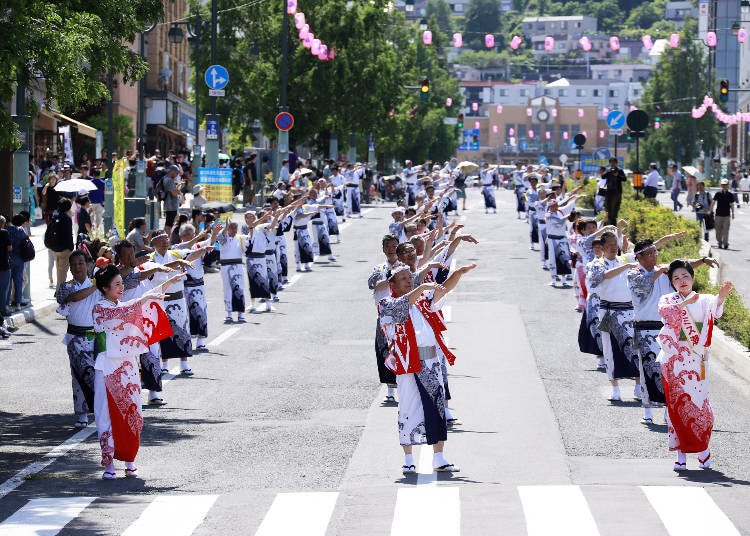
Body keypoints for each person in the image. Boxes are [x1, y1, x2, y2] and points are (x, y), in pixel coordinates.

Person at [378, 261, 476, 475]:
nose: (408, 281)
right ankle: (409, 459)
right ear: (392, 284)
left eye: (409, 277)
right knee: (408, 409)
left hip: (431, 362)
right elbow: (400, 309)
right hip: (409, 364)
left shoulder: (422, 301)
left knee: (437, 407)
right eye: (403, 278)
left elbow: (443, 290)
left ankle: (439, 457)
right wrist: (421, 287)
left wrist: (458, 273)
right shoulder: (387, 304)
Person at [91, 263, 182, 479]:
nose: (121, 288)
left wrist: (166, 284)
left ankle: (130, 459)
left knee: (133, 412)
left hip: (128, 365)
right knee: (106, 416)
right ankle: (109, 463)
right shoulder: (100, 309)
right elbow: (125, 310)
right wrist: (142, 300)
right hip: (106, 367)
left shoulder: (124, 305)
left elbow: (135, 304)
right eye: (116, 285)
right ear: (105, 288)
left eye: (122, 284)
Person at [626, 235, 714, 423]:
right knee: (647, 369)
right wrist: (658, 272)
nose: (654, 256)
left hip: (668, 328)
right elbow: (642, 287)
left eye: (654, 252)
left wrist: (703, 260)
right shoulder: (634, 273)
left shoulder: (664, 272)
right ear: (639, 257)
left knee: (670, 371)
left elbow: (682, 268)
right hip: (644, 328)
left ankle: (669, 413)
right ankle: (648, 412)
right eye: (649, 253)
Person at [657, 260, 733, 471]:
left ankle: (703, 451)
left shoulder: (705, 299)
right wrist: (683, 304)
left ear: (693, 277)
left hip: (697, 362)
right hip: (673, 362)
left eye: (685, 276)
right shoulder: (667, 299)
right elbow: (666, 314)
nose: (682, 281)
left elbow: (716, 310)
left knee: (700, 408)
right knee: (676, 408)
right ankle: (680, 454)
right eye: (676, 278)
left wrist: (723, 295)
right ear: (671, 282)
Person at [587, 231, 640, 401]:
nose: (612, 248)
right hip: (608, 311)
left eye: (614, 245)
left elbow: (644, 254)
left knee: (634, 348)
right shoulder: (597, 264)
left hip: (629, 311)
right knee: (610, 349)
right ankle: (615, 388)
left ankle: (638, 387)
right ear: (601, 248)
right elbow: (601, 277)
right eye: (609, 246)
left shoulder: (624, 260)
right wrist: (625, 267)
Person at [55, 251, 101, 428]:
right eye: (74, 264)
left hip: (96, 335)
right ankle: (81, 413)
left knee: (98, 373)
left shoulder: (97, 285)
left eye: (81, 263)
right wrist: (96, 286)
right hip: (75, 337)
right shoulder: (67, 286)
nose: (77, 267)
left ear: (87, 265)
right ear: (70, 267)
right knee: (79, 374)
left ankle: (98, 408)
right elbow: (73, 297)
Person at [149, 231, 196, 376]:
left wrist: (207, 245)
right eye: (161, 240)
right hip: (160, 300)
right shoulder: (150, 259)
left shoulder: (176, 253)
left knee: (181, 329)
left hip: (178, 298)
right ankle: (164, 364)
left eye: (166, 239)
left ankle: (184, 363)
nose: (165, 242)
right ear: (154, 243)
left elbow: (192, 254)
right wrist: (178, 263)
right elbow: (154, 273)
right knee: (163, 332)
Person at [368, 234, 399, 402]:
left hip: (401, 316)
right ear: (383, 249)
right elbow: (373, 284)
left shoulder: (405, 266)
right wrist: (392, 279)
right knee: (384, 352)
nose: (391, 249)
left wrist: (388, 281)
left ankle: (404, 387)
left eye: (394, 246)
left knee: (401, 351)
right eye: (387, 246)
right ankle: (390, 390)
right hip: (384, 317)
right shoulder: (379, 268)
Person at [217, 220, 247, 322]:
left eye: (235, 228)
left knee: (239, 289)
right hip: (225, 267)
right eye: (231, 227)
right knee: (227, 290)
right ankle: (229, 313)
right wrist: (226, 226)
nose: (234, 230)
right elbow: (220, 237)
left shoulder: (240, 238)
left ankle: (240, 314)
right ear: (227, 228)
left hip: (238, 266)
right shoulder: (223, 238)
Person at [6, 214, 29, 309]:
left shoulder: (7, 230)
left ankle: (6, 304)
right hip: (19, 259)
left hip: (9, 258)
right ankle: (18, 304)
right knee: (18, 282)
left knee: (8, 283)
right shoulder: (21, 231)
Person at [602, 158, 626, 225]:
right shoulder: (608, 170)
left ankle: (613, 223)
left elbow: (624, 179)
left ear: (616, 163)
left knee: (615, 208)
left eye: (614, 162)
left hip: (617, 192)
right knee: (608, 208)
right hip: (609, 192)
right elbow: (603, 176)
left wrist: (617, 175)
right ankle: (608, 222)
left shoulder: (619, 170)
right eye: (611, 162)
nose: (612, 164)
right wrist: (607, 171)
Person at [712, 178, 735, 249]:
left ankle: (725, 243)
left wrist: (733, 213)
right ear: (721, 185)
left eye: (725, 184)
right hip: (718, 215)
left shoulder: (730, 195)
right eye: (723, 184)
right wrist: (710, 210)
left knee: (726, 230)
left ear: (728, 185)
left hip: (727, 215)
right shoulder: (718, 194)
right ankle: (719, 242)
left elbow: (732, 204)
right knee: (718, 231)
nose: (724, 186)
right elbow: (713, 202)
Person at [162, 165, 183, 235]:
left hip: (169, 205)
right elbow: (174, 193)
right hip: (171, 206)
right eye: (176, 173)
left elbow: (172, 190)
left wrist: (178, 187)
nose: (177, 175)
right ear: (172, 172)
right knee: (169, 225)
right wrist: (179, 188)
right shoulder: (169, 180)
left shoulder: (165, 178)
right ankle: (168, 238)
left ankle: (165, 237)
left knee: (168, 223)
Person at [0, 216, 12, 332]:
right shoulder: (4, 233)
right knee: (3, 289)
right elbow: (9, 248)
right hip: (3, 265)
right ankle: (2, 310)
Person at [89, 168, 106, 235]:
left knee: (91, 217)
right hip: (100, 202)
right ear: (99, 175)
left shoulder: (90, 182)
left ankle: (90, 231)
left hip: (91, 202)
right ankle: (97, 231)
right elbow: (104, 193)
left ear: (93, 175)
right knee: (99, 217)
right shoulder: (103, 182)